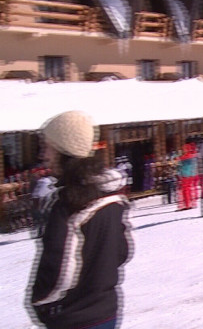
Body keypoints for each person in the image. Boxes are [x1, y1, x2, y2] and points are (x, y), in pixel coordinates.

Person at [29, 111, 132, 329]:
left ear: (62, 151)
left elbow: (59, 272)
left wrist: (39, 302)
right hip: (107, 311)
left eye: (48, 147)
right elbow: (122, 251)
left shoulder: (67, 203)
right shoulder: (112, 197)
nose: (44, 155)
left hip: (73, 318)